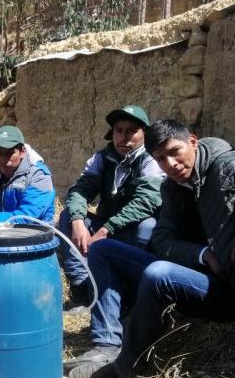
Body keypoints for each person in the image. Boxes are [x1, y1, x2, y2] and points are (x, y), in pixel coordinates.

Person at [66, 119, 235, 378]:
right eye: (161, 159)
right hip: (201, 271)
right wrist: (203, 254)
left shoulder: (232, 168)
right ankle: (106, 345)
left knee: (158, 273)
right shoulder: (172, 187)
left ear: (193, 142)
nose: (171, 165)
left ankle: (124, 369)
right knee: (103, 250)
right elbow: (163, 240)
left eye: (175, 152)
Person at [58, 105, 164, 313]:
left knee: (148, 228)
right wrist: (78, 220)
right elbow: (80, 190)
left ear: (144, 134)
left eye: (132, 131)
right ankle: (83, 291)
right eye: (118, 130)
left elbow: (146, 202)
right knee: (67, 216)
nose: (124, 137)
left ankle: (130, 296)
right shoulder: (103, 158)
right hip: (106, 228)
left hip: (131, 230)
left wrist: (106, 229)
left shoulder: (151, 159)